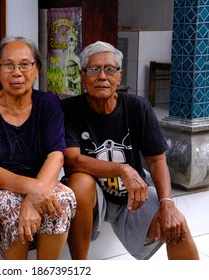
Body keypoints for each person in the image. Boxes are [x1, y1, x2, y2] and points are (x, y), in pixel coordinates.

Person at [61, 40, 199, 260]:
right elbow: (73, 161)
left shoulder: (137, 107)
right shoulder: (69, 109)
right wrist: (122, 169)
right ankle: (80, 267)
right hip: (94, 198)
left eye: (110, 69)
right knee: (79, 181)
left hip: (133, 195)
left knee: (177, 227)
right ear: (82, 75)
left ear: (120, 76)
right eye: (94, 70)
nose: (102, 77)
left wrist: (167, 204)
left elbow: (156, 160)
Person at [0, 36, 76, 260]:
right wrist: (33, 191)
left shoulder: (48, 104)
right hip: (3, 187)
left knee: (62, 197)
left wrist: (32, 199)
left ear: (36, 69)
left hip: (41, 181)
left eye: (25, 64)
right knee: (8, 204)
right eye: (8, 65)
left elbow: (56, 156)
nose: (17, 72)